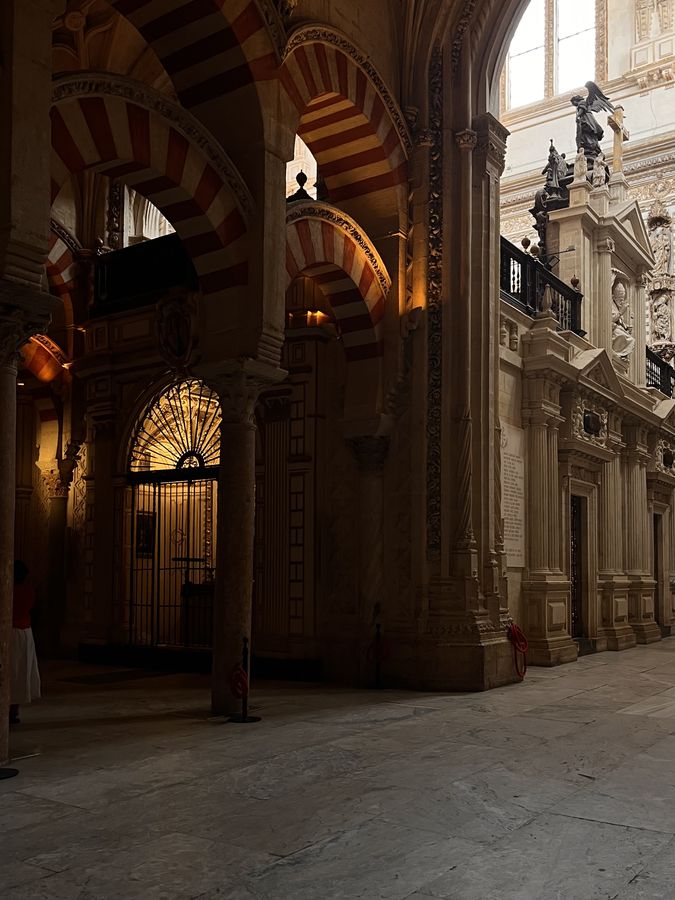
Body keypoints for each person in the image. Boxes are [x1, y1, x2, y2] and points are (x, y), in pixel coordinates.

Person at [9, 560, 41, 725]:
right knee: (21, 671)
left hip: (11, 632)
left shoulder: (9, 590)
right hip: (25, 633)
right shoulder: (29, 590)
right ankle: (14, 710)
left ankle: (8, 709)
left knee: (12, 671)